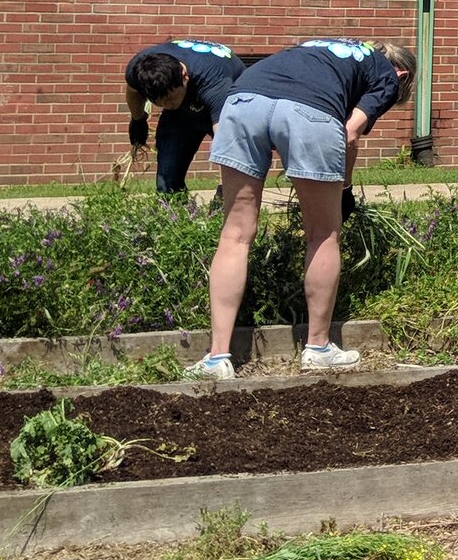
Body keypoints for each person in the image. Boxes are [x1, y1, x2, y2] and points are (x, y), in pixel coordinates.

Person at [187, 36, 414, 380]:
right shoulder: (386, 74)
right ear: (402, 75)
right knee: (323, 234)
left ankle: (216, 357)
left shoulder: (319, 49)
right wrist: (344, 189)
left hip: (242, 100)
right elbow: (349, 133)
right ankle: (318, 348)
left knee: (235, 234)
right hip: (309, 110)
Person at [123, 38, 245, 195]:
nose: (166, 105)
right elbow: (133, 90)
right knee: (167, 181)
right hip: (182, 112)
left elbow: (226, 139)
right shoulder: (141, 69)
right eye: (159, 102)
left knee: (229, 189)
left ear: (184, 76)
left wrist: (225, 190)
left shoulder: (214, 82)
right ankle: (173, 205)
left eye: (169, 98)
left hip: (227, 105)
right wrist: (138, 120)